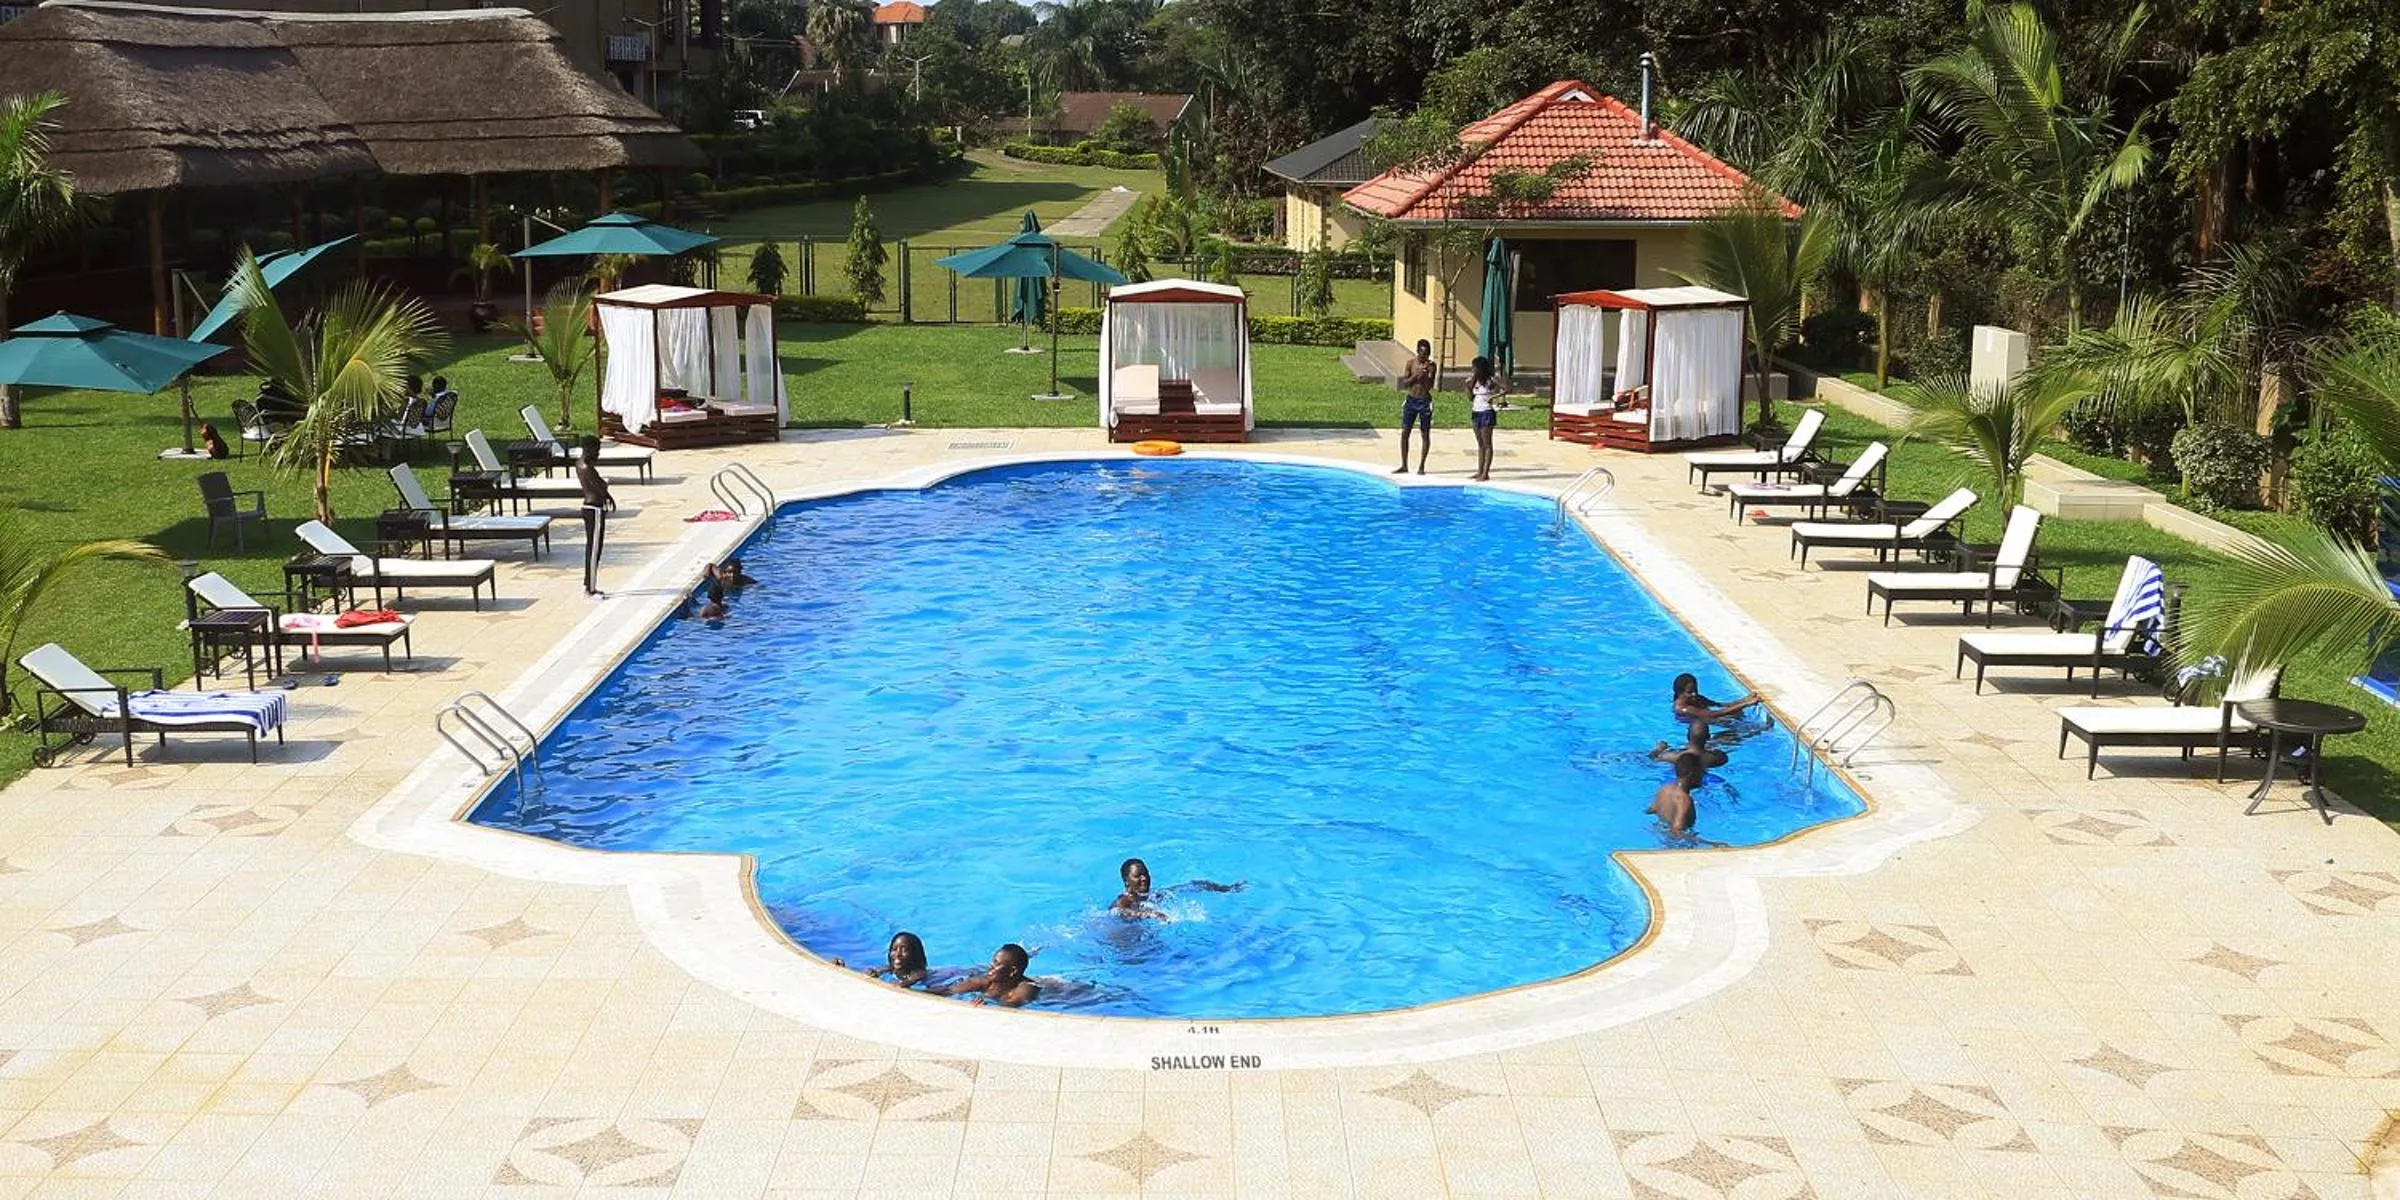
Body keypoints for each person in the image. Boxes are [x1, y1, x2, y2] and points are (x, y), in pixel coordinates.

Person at [1111, 857, 1244, 920]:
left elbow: (1193, 885)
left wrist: (1225, 888)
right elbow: (1121, 911)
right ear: (1126, 881)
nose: (1144, 878)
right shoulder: (1124, 900)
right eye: (1137, 876)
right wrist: (1151, 914)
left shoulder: (1154, 895)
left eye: (1145, 874)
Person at [931, 943, 1042, 1007]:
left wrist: (989, 1004)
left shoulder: (1026, 988)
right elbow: (948, 990)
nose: (990, 967)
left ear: (1012, 971)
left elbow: (1010, 1005)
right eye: (993, 961)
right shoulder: (984, 981)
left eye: (996, 964)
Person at [1648, 752, 1723, 846]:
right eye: (1702, 772)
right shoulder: (1684, 800)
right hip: (1677, 845)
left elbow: (1651, 810)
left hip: (1660, 834)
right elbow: (1676, 831)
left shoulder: (1664, 789)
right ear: (1693, 774)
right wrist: (1711, 843)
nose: (1703, 775)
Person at [575, 434, 615, 596]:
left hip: (590, 507)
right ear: (588, 449)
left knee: (592, 547)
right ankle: (590, 589)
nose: (598, 454)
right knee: (594, 550)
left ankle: (588, 583)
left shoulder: (579, 464)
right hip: (595, 509)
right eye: (596, 451)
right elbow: (600, 488)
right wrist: (606, 493)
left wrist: (608, 496)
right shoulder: (588, 468)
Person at [1396, 339, 1436, 475]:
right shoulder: (1410, 363)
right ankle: (1404, 465)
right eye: (1423, 354)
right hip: (1411, 400)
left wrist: (1425, 376)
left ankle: (1422, 466)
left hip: (1424, 401)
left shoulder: (1431, 366)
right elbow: (1405, 383)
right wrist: (1416, 376)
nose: (1425, 357)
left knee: (1425, 433)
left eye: (1427, 354)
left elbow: (1430, 386)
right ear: (1418, 351)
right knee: (1405, 432)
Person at [835, 931, 930, 988]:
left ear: (915, 955)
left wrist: (903, 983)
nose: (898, 954)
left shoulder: (919, 972)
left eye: (904, 950)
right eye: (894, 949)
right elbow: (872, 973)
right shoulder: (890, 968)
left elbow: (906, 984)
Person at [1672, 673, 1761, 723]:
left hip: (1708, 716)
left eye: (1695, 690)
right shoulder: (1683, 708)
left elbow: (1719, 705)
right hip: (1699, 720)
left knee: (1737, 714)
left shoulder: (1696, 698)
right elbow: (1714, 714)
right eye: (1690, 692)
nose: (1694, 694)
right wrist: (1746, 704)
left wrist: (1744, 699)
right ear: (1680, 693)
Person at [1468, 355, 1502, 482]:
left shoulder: (1491, 380)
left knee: (1487, 444)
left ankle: (1486, 472)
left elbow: (1507, 388)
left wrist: (1494, 396)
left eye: (1475, 368)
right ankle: (1479, 471)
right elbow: (1470, 397)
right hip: (1476, 412)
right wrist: (1469, 385)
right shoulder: (1474, 381)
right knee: (1480, 444)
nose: (1473, 370)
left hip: (1486, 412)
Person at [1651, 719, 1729, 769]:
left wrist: (1658, 749)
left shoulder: (1670, 757)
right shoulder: (1718, 758)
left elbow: (1651, 759)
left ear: (1687, 736)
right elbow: (1722, 755)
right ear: (1708, 737)